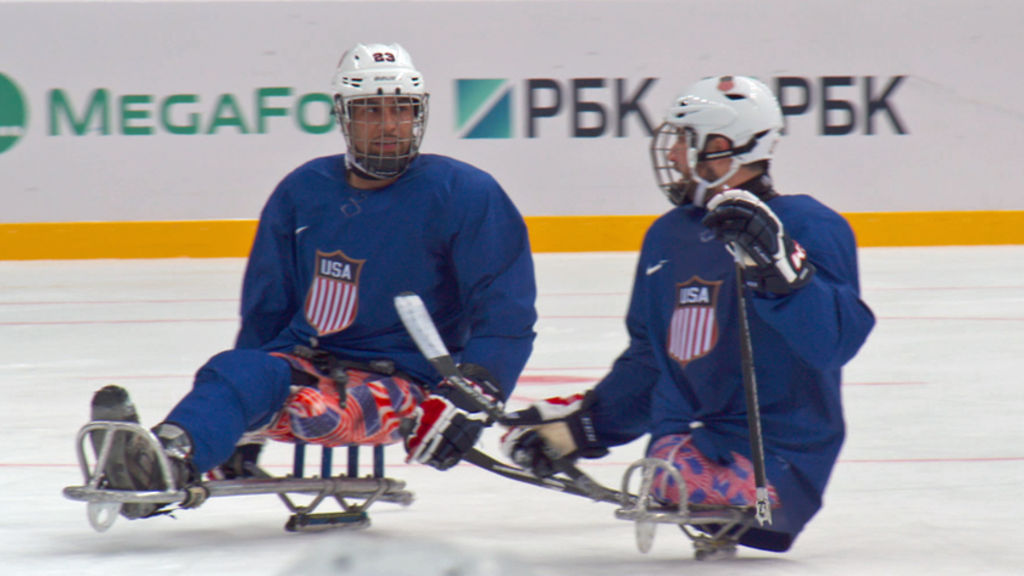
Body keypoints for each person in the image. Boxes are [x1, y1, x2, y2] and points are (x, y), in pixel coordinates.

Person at [90, 42, 537, 519]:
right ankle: (163, 460)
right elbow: (267, 309)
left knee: (312, 407)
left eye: (401, 109)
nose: (389, 125)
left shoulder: (465, 193)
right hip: (307, 359)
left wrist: (471, 395)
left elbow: (505, 311)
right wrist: (239, 427)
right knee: (234, 371)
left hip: (406, 379)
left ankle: (158, 464)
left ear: (419, 113)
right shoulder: (303, 189)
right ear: (344, 115)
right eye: (370, 110)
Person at [500, 75, 875, 552]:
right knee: (670, 470)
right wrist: (581, 428)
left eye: (683, 139)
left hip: (776, 465)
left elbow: (834, 345)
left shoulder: (808, 224)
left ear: (722, 147)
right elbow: (654, 363)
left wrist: (786, 276)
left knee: (679, 476)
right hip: (678, 454)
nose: (673, 155)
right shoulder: (667, 237)